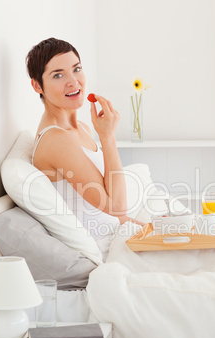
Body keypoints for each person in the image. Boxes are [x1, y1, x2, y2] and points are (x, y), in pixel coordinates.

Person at [26, 37, 143, 244]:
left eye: (76, 69)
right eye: (58, 75)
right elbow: (117, 206)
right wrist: (108, 137)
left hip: (118, 235)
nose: (73, 81)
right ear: (37, 86)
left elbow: (114, 215)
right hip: (105, 247)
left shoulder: (83, 129)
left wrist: (153, 229)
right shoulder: (56, 139)